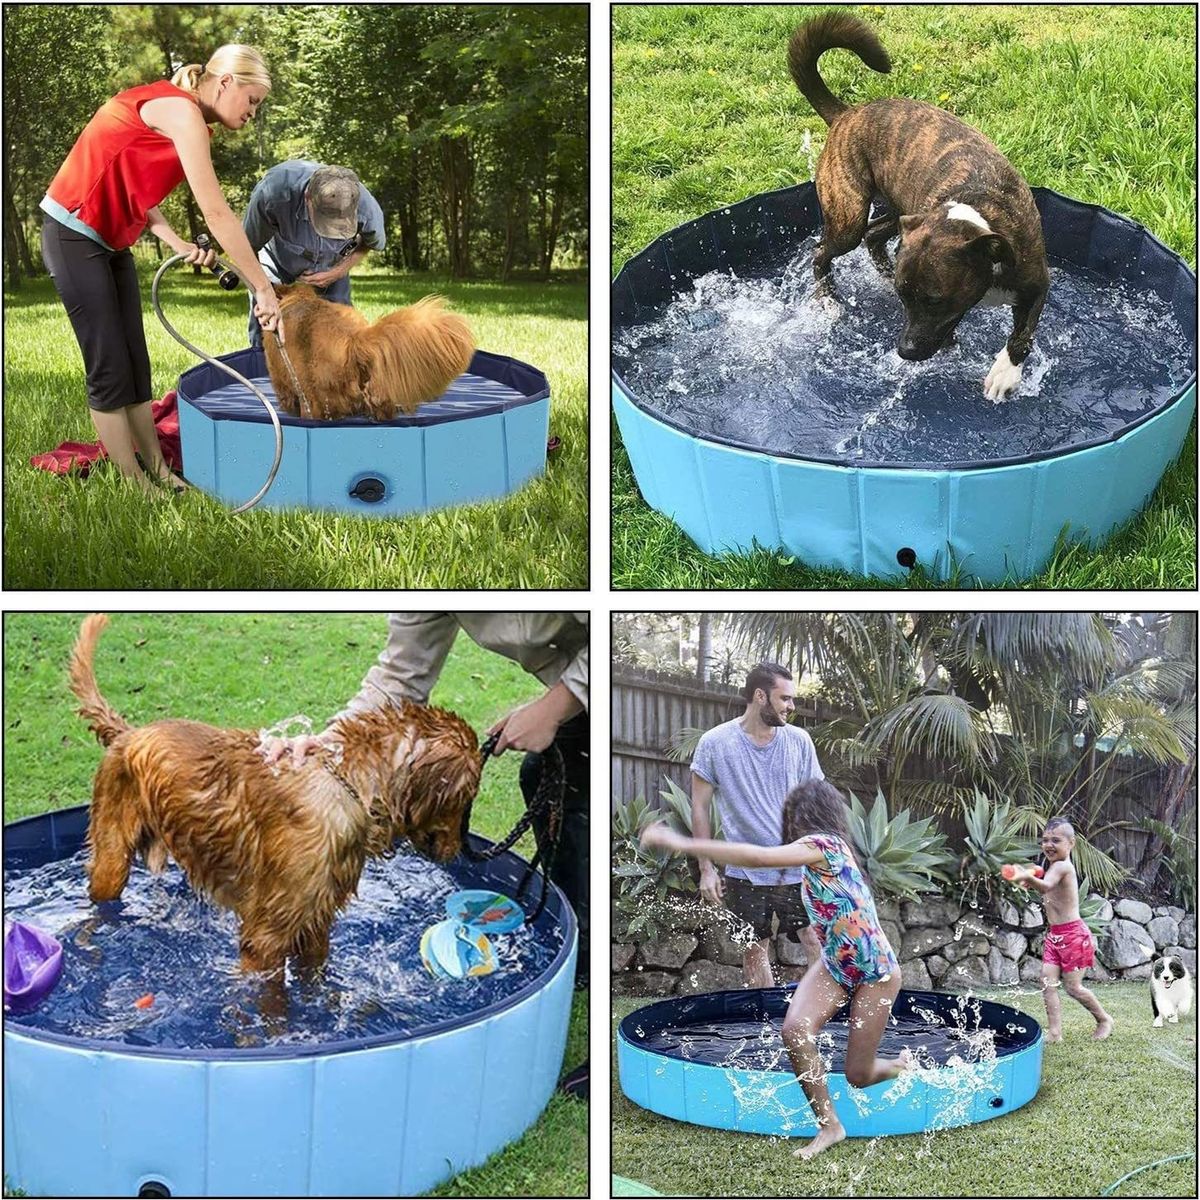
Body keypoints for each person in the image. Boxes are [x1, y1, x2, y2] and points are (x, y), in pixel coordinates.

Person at [260, 613, 590, 1098]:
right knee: (542, 777)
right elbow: (400, 675)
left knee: (580, 801)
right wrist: (330, 745)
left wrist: (555, 706)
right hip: (575, 684)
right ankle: (584, 951)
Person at [40, 45, 283, 494]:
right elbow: (217, 213)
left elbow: (137, 191)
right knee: (109, 364)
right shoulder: (181, 112)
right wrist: (262, 288)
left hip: (111, 242)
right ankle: (135, 483)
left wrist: (177, 242)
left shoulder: (188, 121)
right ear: (226, 82)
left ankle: (157, 468)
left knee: (136, 362)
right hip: (72, 232)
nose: (253, 114)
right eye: (252, 101)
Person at [643, 778, 905, 1161]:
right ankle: (830, 1126)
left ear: (802, 818)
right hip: (836, 965)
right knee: (795, 1030)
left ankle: (899, 1066)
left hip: (875, 972)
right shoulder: (821, 857)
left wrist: (681, 843)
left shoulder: (826, 847)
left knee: (858, 1076)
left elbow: (758, 856)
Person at [690, 663, 825, 985]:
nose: (792, 706)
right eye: (786, 699)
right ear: (760, 696)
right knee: (754, 948)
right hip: (744, 871)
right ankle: (762, 1022)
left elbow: (818, 802)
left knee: (816, 940)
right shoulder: (715, 743)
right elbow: (699, 807)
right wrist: (706, 869)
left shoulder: (799, 741)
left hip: (797, 865)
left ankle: (821, 1018)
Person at [242, 160, 385, 348]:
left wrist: (338, 272)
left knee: (343, 336)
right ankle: (261, 365)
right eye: (324, 221)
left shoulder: (366, 208)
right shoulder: (273, 194)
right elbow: (245, 247)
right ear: (307, 197)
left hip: (332, 269)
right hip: (276, 264)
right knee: (267, 328)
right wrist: (263, 289)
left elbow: (370, 244)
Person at [1007, 816, 1113, 1042]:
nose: (1048, 845)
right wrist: (1030, 880)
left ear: (1071, 843)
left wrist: (1026, 875)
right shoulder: (1052, 868)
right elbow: (1047, 891)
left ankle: (1104, 1019)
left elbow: (1045, 885)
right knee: (1047, 982)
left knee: (1073, 988)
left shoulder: (1063, 866)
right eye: (1045, 840)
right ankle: (1055, 1032)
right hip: (1055, 936)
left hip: (1073, 935)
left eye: (1056, 840)